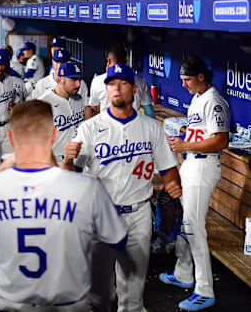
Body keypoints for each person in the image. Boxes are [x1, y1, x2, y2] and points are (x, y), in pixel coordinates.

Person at [0, 100, 127, 311]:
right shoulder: (87, 187)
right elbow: (118, 239)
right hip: (70, 304)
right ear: (54, 135)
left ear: (10, 137)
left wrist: (0, 173)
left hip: (10, 304)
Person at [63, 63, 182, 312]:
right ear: (105, 90)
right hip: (100, 214)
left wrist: (174, 186)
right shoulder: (89, 128)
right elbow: (68, 177)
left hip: (138, 214)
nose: (116, 88)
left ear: (134, 90)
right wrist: (66, 159)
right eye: (111, 83)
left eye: (122, 83)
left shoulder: (151, 128)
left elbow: (168, 169)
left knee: (134, 291)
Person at [159, 56, 230, 311]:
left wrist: (187, 145)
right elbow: (200, 134)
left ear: (201, 76)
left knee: (192, 226)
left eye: (187, 79)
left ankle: (204, 290)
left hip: (204, 166)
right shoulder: (197, 98)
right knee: (183, 220)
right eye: (182, 79)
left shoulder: (214, 101)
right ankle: (183, 273)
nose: (184, 84)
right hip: (191, 163)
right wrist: (184, 141)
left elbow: (221, 141)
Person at [39, 62, 85, 166]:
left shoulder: (79, 99)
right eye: (73, 80)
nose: (78, 85)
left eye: (79, 80)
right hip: (56, 161)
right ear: (60, 79)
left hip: (79, 159)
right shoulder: (43, 103)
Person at [89, 45, 155, 118]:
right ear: (126, 62)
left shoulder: (97, 81)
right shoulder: (140, 80)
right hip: (133, 125)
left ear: (109, 61)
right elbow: (149, 112)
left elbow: (96, 108)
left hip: (106, 127)